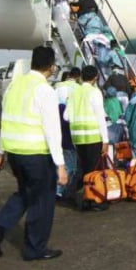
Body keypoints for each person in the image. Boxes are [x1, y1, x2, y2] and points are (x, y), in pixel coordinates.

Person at [0, 46, 68, 261]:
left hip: (15, 154)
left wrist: (0, 152)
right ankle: (34, 249)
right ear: (52, 67)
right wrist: (61, 164)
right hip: (36, 154)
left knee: (25, 193)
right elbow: (52, 130)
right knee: (42, 202)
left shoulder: (14, 86)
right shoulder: (44, 90)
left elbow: (5, 119)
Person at [64, 65, 110, 211]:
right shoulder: (95, 92)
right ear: (95, 77)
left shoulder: (73, 92)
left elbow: (66, 116)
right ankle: (92, 200)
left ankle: (79, 196)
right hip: (92, 137)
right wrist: (106, 140)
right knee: (93, 171)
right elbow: (100, 117)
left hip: (77, 138)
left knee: (83, 168)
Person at [54, 68, 81, 201]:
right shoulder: (79, 89)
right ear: (78, 77)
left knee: (60, 159)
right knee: (71, 163)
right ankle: (62, 190)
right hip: (71, 128)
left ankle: (58, 188)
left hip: (56, 127)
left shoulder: (57, 86)